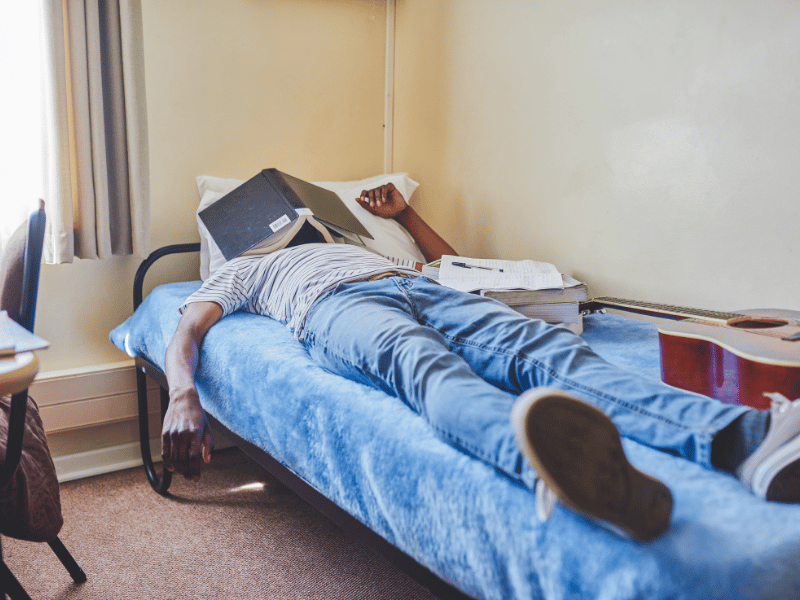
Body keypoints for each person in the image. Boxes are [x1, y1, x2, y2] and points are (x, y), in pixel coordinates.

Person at [162, 182, 800, 542]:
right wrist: (183, 395)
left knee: (549, 350)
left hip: (426, 288)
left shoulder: (358, 243)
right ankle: (580, 478)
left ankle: (745, 440)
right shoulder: (246, 268)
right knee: (432, 373)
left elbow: (459, 264)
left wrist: (405, 216)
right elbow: (187, 328)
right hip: (334, 309)